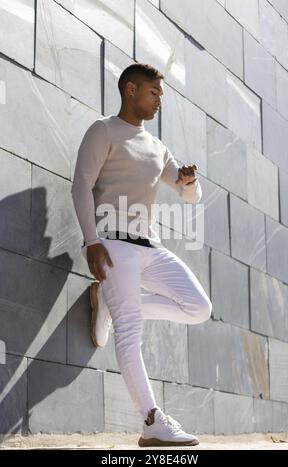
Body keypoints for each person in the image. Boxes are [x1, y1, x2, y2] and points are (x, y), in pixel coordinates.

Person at [71, 63, 212, 447]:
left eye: (161, 93)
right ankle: (152, 422)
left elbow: (190, 196)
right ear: (130, 90)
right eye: (154, 92)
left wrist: (187, 181)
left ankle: (114, 308)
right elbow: (81, 185)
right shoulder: (103, 131)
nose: (160, 100)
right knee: (130, 333)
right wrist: (90, 241)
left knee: (198, 308)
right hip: (113, 245)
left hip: (150, 247)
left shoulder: (157, 147)